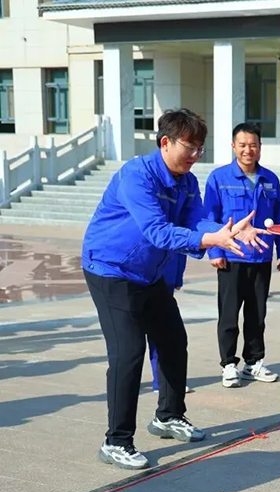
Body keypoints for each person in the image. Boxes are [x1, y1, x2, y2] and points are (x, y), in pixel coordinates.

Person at [82, 108, 269, 470]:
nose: (195, 155)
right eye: (190, 147)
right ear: (165, 142)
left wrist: (227, 230)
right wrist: (209, 240)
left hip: (150, 273)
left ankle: (168, 416)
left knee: (172, 341)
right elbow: (157, 231)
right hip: (111, 269)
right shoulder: (137, 175)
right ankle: (116, 440)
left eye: (201, 148)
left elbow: (196, 219)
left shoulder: (186, 181)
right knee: (129, 352)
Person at [204, 123, 280, 388]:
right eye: (242, 145)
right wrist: (215, 251)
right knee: (229, 315)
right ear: (233, 146)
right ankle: (228, 365)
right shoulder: (219, 178)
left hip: (261, 257)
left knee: (257, 315)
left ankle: (253, 362)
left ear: (260, 147)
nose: (248, 150)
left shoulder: (270, 179)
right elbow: (210, 216)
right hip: (231, 257)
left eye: (253, 145)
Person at [149, 253, 189, 393]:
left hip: (166, 277)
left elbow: (181, 248)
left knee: (161, 333)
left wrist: (178, 275)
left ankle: (160, 382)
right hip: (137, 278)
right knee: (131, 338)